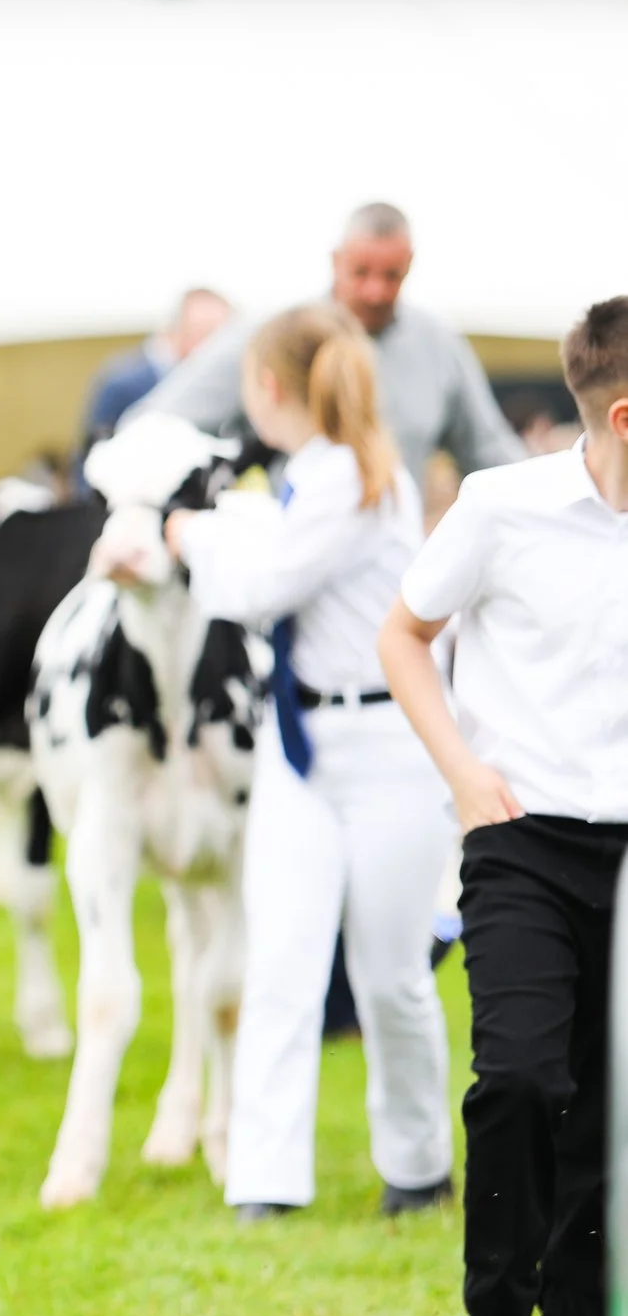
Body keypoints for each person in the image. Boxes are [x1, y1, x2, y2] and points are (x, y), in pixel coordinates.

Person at [378, 296, 628, 1316]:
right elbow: (402, 635)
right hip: (521, 837)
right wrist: (463, 770)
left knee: (602, 1118)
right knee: (522, 1083)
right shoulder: (500, 507)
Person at [162, 305, 454, 1224]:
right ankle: (266, 1180)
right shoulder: (306, 478)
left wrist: (187, 535)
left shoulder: (358, 477)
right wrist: (231, 521)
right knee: (282, 959)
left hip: (386, 745)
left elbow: (258, 589)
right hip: (300, 749)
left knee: (390, 971)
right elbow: (272, 553)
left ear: (268, 386)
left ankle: (417, 1165)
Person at [130, 204, 523, 489]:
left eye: (391, 275)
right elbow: (157, 422)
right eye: (361, 272)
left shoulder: (440, 346)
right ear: (336, 260)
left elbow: (491, 453)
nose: (375, 290)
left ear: (410, 265)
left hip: (386, 581)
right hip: (285, 584)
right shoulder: (274, 338)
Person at [74, 287, 230, 486]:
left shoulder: (211, 386)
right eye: (209, 334)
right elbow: (87, 464)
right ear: (179, 330)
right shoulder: (121, 382)